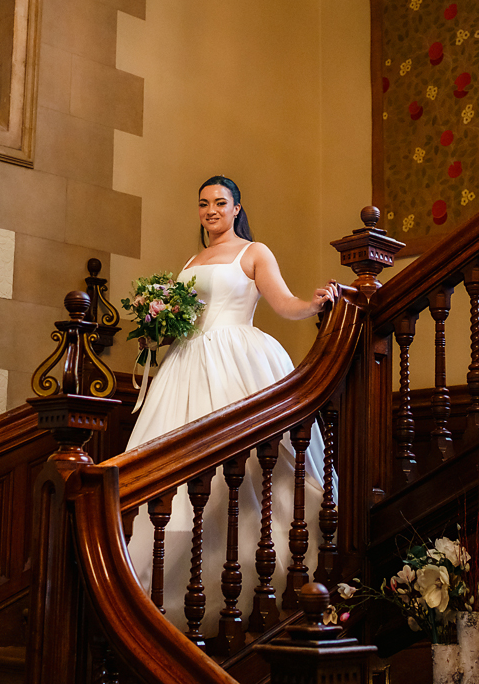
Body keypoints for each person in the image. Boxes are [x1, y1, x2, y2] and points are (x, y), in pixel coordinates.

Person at [125, 175, 339, 634]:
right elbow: (187, 317)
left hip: (235, 360)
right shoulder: (192, 259)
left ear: (237, 207)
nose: (211, 211)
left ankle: (247, 586)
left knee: (237, 476)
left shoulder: (254, 252)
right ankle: (152, 590)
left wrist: (314, 304)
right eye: (204, 204)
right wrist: (157, 322)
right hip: (186, 364)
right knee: (174, 471)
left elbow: (284, 303)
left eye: (220, 202)